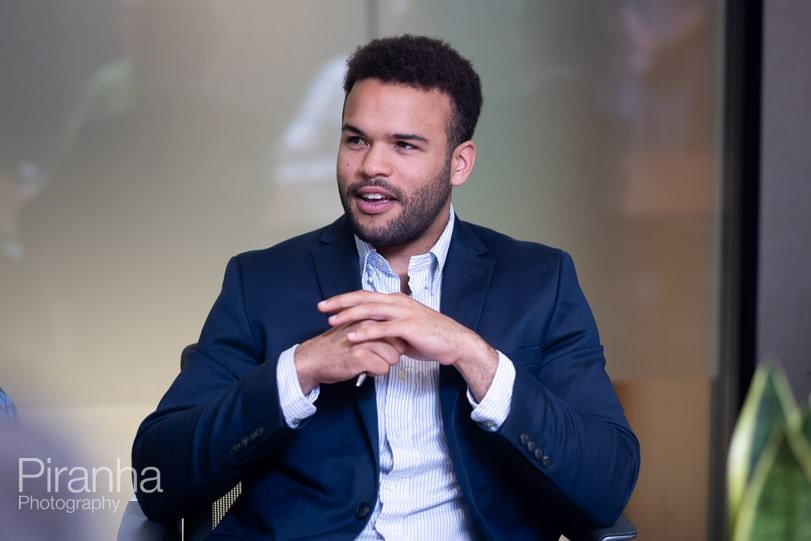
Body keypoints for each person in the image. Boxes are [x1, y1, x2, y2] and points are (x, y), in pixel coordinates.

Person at [132, 34, 639, 540]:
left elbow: (606, 483)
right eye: (356, 140)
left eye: (404, 145)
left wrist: (472, 355)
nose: (372, 165)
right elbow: (158, 479)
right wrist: (300, 370)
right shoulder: (261, 281)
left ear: (459, 163)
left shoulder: (538, 282)